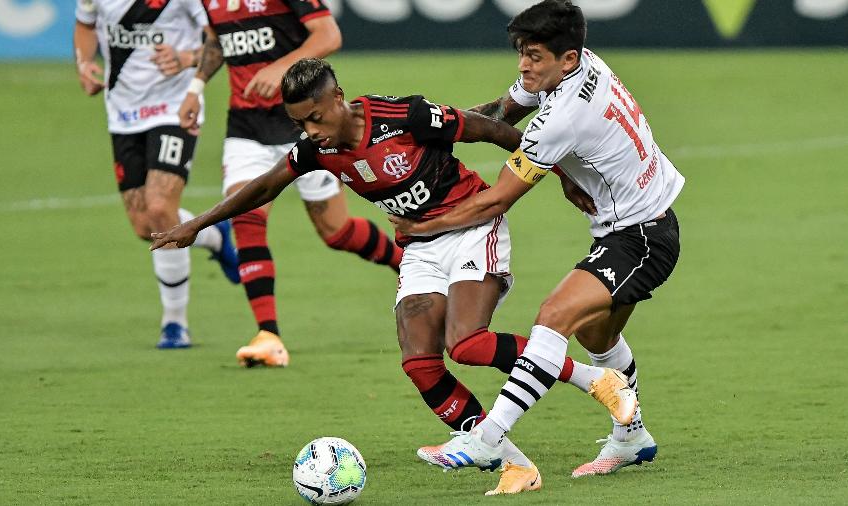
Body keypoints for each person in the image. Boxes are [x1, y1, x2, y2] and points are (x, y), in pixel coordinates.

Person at [151, 58, 637, 495]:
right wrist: (197, 224)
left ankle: (595, 378)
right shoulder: (315, 151)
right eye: (299, 123)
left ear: (337, 98)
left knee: (466, 344)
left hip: (471, 224)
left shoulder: (402, 116)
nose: (311, 131)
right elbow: (263, 186)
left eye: (316, 117)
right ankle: (513, 463)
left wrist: (563, 175)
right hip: (418, 248)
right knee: (420, 362)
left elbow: (489, 130)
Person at [392, 0, 684, 481]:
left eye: (534, 56)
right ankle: (632, 436)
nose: (523, 65)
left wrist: (420, 228)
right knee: (598, 336)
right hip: (632, 227)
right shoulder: (582, 65)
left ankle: (487, 440)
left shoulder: (563, 115)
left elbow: (494, 201)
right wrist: (438, 128)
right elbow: (501, 111)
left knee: (553, 318)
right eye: (521, 52)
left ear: (566, 59)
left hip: (642, 235)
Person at [179, 1, 402, 367]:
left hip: (306, 126)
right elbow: (217, 41)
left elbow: (329, 34)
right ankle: (268, 336)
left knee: (337, 232)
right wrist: (195, 86)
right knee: (246, 217)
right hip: (246, 128)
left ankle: (403, 262)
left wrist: (280, 68)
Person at [74, 0, 240, 349]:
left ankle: (174, 324)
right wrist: (84, 62)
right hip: (122, 113)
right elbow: (85, 25)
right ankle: (214, 236)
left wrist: (187, 63)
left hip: (174, 107)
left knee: (161, 207)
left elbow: (219, 37)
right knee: (143, 225)